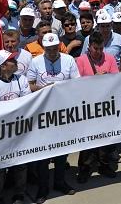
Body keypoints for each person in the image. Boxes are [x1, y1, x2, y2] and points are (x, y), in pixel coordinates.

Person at [27, 32, 79, 201]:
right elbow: (30, 85)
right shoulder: (35, 62)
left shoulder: (68, 60)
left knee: (61, 151)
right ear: (43, 47)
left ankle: (59, 182)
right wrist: (45, 89)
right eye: (48, 48)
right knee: (43, 152)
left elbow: (76, 82)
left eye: (54, 48)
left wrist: (62, 88)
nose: (51, 51)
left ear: (59, 46)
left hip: (63, 111)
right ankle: (43, 187)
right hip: (43, 112)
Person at [0, 50, 30, 204]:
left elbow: (27, 103)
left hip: (19, 130)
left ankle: (19, 194)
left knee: (21, 165)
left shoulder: (21, 80)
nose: (16, 62)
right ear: (3, 66)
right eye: (12, 60)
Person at [74, 32, 119, 183]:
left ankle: (104, 165)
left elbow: (117, 79)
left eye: (101, 48)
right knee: (87, 139)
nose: (99, 52)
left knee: (105, 139)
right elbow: (75, 84)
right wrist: (95, 79)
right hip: (87, 106)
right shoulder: (80, 61)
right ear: (89, 47)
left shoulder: (110, 59)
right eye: (95, 48)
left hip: (106, 106)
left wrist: (106, 78)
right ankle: (84, 168)